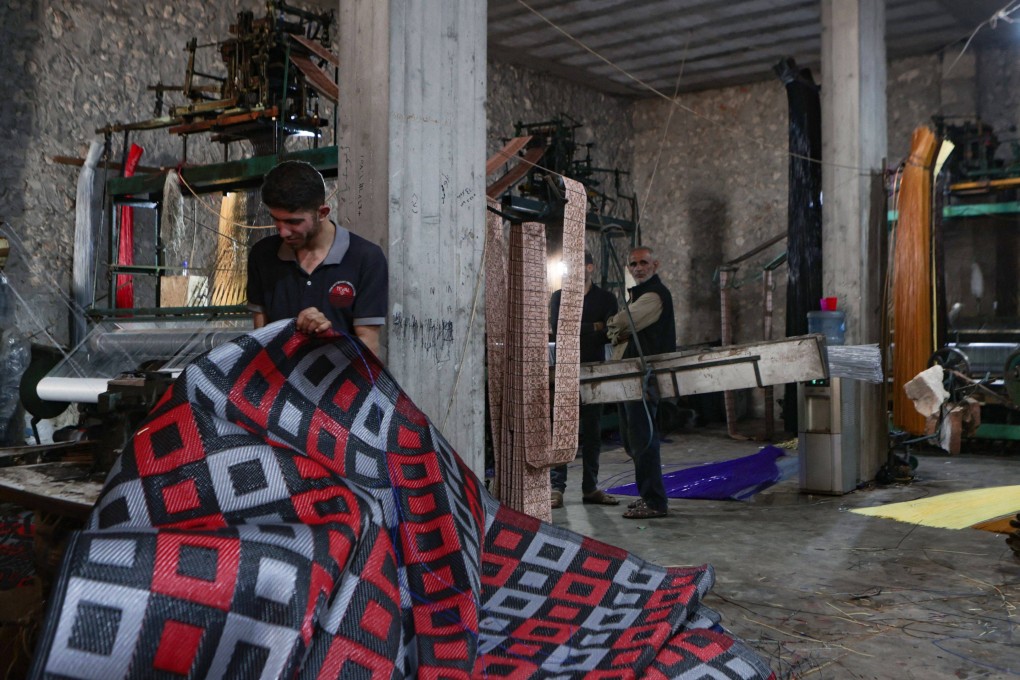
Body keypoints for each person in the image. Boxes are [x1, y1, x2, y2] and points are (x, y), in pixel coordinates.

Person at [247, 161, 387, 355]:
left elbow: (369, 348)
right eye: (276, 220)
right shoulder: (262, 256)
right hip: (279, 383)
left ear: (322, 213)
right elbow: (260, 337)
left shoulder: (365, 258)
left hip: (339, 381)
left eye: (293, 222)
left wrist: (329, 335)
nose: (283, 232)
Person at [606, 246, 675, 519]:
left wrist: (612, 325)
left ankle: (656, 502)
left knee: (644, 441)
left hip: (644, 379)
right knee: (632, 440)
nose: (638, 268)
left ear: (655, 265)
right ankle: (649, 496)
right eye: (633, 264)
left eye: (643, 262)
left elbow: (622, 323)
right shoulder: (640, 295)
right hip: (631, 378)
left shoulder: (654, 295)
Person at [549, 251, 619, 509]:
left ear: (590, 267)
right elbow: (560, 331)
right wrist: (594, 327)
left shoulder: (606, 298)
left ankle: (590, 487)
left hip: (594, 373)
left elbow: (610, 334)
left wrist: (583, 328)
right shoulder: (559, 297)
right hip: (566, 370)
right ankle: (557, 488)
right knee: (563, 430)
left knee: (592, 432)